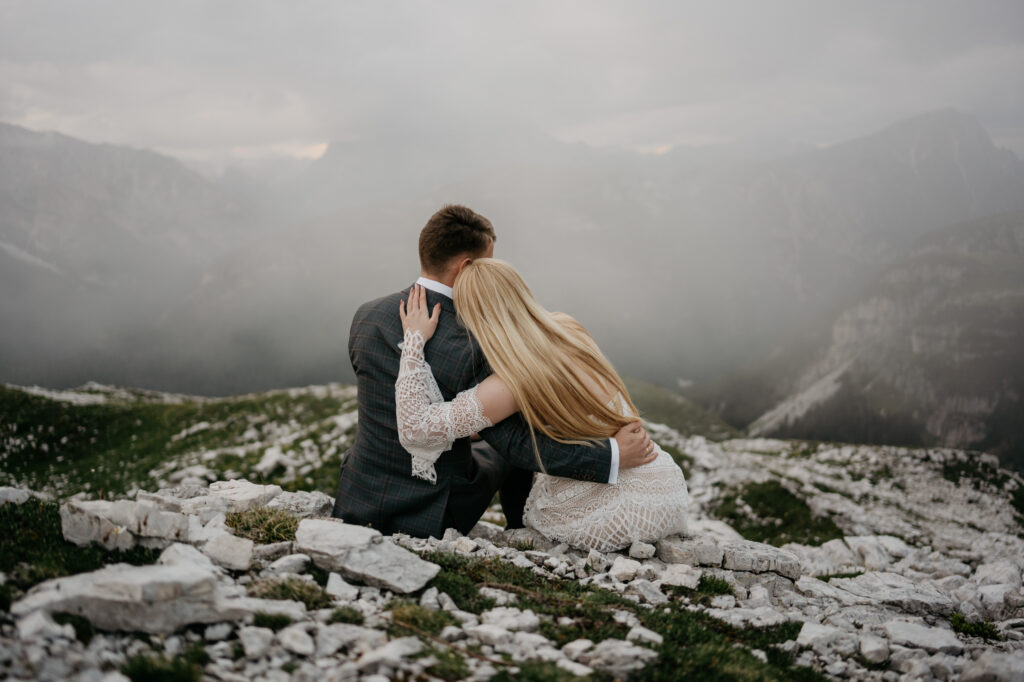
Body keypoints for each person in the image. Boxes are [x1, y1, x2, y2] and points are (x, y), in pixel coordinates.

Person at [332, 204, 657, 539]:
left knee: (478, 435)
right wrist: (613, 456)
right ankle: (518, 527)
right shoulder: (477, 344)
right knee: (508, 445)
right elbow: (519, 443)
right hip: (430, 512)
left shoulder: (366, 316)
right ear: (468, 268)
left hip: (357, 496)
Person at [396, 258, 690, 552]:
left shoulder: (513, 379)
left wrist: (414, 341)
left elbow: (416, 428)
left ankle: (518, 529)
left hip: (611, 510)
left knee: (522, 470)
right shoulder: (567, 327)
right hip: (662, 486)